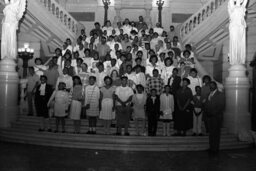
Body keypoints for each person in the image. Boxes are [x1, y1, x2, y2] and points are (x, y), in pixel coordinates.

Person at [204, 81, 225, 154]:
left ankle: (215, 149)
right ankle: (211, 147)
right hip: (209, 117)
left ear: (216, 86)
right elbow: (206, 105)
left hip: (216, 117)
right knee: (211, 133)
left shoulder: (220, 94)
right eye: (210, 85)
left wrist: (212, 113)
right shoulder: (208, 94)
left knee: (216, 133)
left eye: (212, 85)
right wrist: (207, 113)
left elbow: (221, 106)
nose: (211, 86)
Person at [228, 0, 248, 65]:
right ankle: (234, 60)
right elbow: (230, 1)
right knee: (234, 42)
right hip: (234, 27)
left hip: (241, 27)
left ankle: (240, 60)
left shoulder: (242, 7)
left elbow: (245, 1)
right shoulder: (232, 7)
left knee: (240, 43)